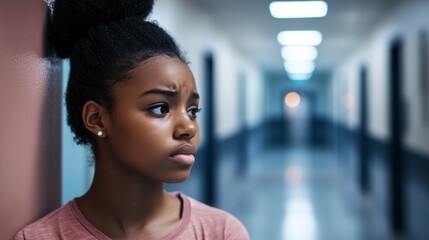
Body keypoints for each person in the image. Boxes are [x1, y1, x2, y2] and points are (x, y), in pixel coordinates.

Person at [14, 0, 249, 239]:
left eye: (192, 111)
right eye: (160, 108)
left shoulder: (221, 232)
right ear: (96, 119)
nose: (188, 127)